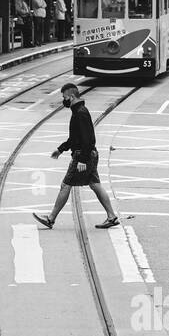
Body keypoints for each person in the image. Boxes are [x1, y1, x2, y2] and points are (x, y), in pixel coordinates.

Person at [32, 84, 122, 230]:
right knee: (95, 184)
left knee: (65, 185)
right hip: (88, 153)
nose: (64, 100)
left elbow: (88, 139)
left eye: (64, 97)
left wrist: (83, 159)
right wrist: (61, 149)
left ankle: (50, 219)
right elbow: (74, 138)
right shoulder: (78, 111)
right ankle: (111, 216)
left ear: (72, 97)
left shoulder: (80, 113)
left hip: (83, 154)